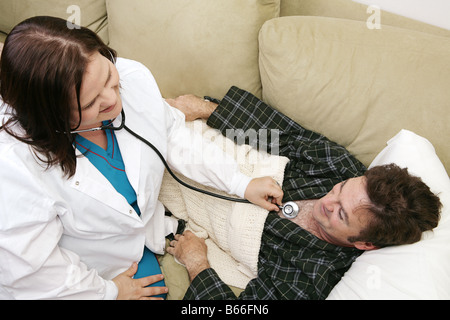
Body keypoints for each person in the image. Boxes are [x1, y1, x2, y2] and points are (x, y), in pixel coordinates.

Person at [0, 17, 283, 300]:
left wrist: (240, 182)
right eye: (89, 103)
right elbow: (31, 271)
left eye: (110, 78)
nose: (112, 99)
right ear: (51, 117)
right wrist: (108, 292)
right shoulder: (16, 165)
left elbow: (172, 132)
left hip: (141, 241)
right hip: (87, 272)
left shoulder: (132, 77)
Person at [165, 86, 442, 300]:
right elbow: (280, 134)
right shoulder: (339, 167)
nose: (328, 202)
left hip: (173, 202)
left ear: (365, 244)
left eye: (341, 214)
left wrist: (197, 263)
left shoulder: (312, 276)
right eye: (341, 190)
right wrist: (203, 108)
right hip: (196, 143)